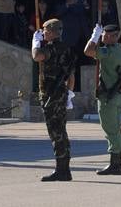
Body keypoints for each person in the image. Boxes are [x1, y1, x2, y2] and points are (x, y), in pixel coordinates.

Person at [31, 17, 74, 182]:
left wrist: (35, 43)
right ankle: (64, 169)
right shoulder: (66, 49)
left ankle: (62, 170)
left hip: (51, 95)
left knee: (56, 132)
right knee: (61, 131)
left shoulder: (52, 48)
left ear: (53, 32)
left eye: (45, 30)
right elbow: (70, 74)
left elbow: (37, 56)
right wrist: (69, 93)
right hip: (60, 93)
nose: (42, 33)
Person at [84, 22, 121, 175]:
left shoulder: (107, 51)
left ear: (111, 37)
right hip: (116, 96)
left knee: (110, 129)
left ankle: (115, 165)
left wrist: (94, 36)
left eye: (104, 34)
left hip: (108, 96)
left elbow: (88, 51)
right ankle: (118, 159)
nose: (103, 36)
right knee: (115, 127)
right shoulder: (120, 51)